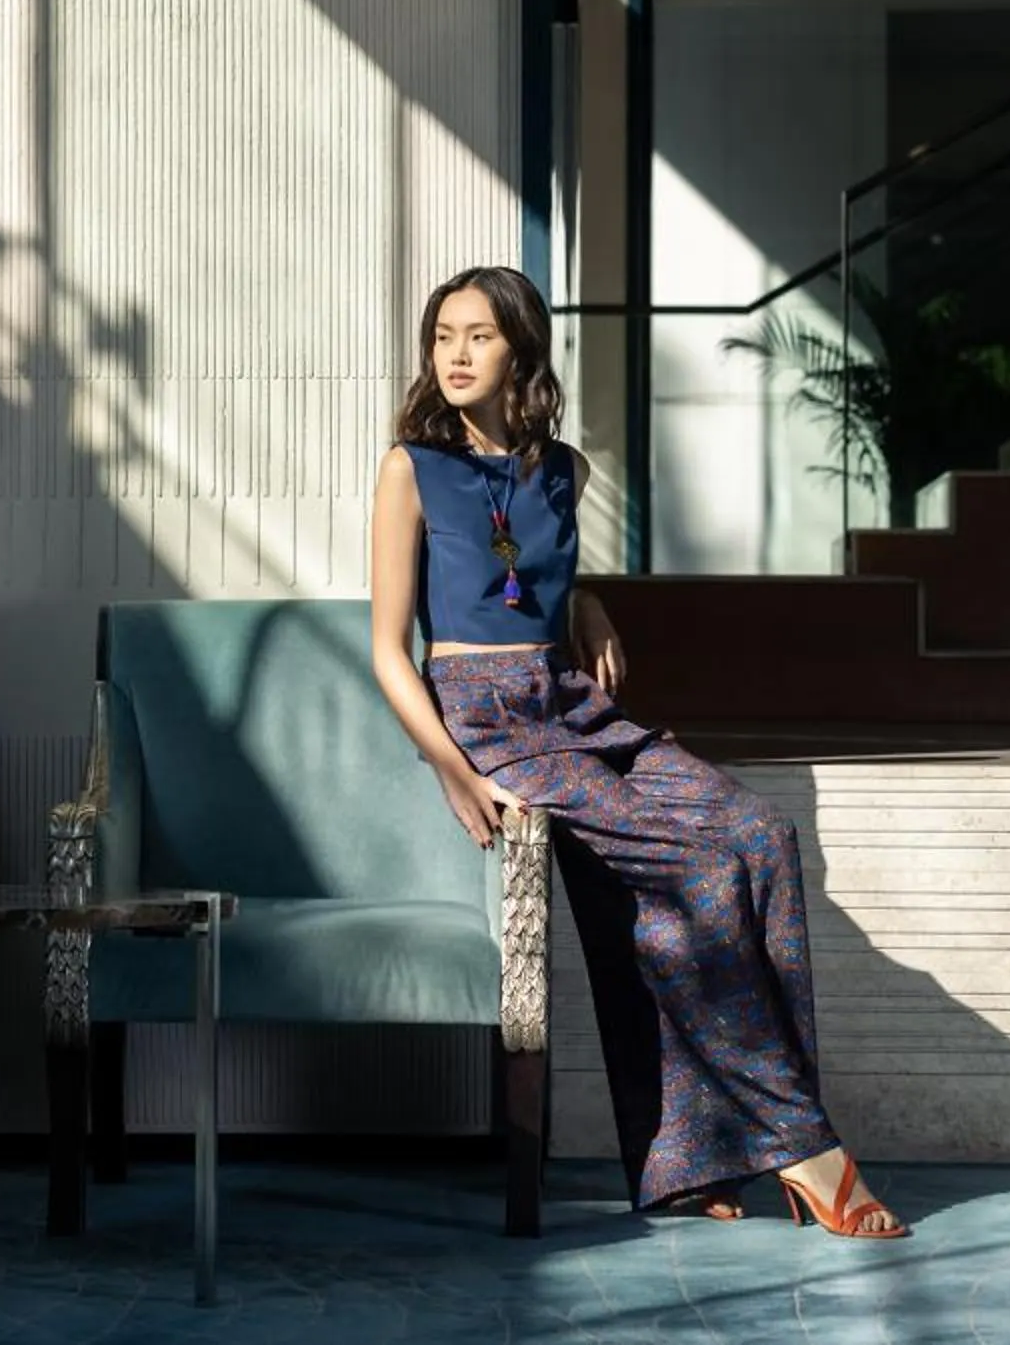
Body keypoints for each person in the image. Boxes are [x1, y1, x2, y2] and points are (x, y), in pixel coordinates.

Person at [367, 264, 907, 1237]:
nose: (453, 352)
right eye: (442, 333)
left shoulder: (563, 469)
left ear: (521, 351)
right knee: (693, 871)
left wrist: (584, 596)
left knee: (758, 835)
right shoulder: (412, 467)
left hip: (568, 704)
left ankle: (688, 1153)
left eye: (478, 335)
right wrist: (452, 764)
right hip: (486, 719)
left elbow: (533, 572)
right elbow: (386, 650)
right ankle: (804, 1148)